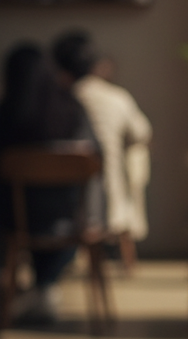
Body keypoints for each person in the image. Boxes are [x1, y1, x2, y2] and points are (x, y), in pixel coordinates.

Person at [0, 42, 101, 324]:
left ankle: (23, 290)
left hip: (12, 223)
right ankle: (45, 286)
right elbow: (96, 162)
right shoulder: (72, 110)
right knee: (61, 207)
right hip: (68, 221)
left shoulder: (6, 117)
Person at [52, 30, 152, 255]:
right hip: (111, 194)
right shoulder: (116, 98)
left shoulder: (53, 102)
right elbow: (142, 133)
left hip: (63, 202)